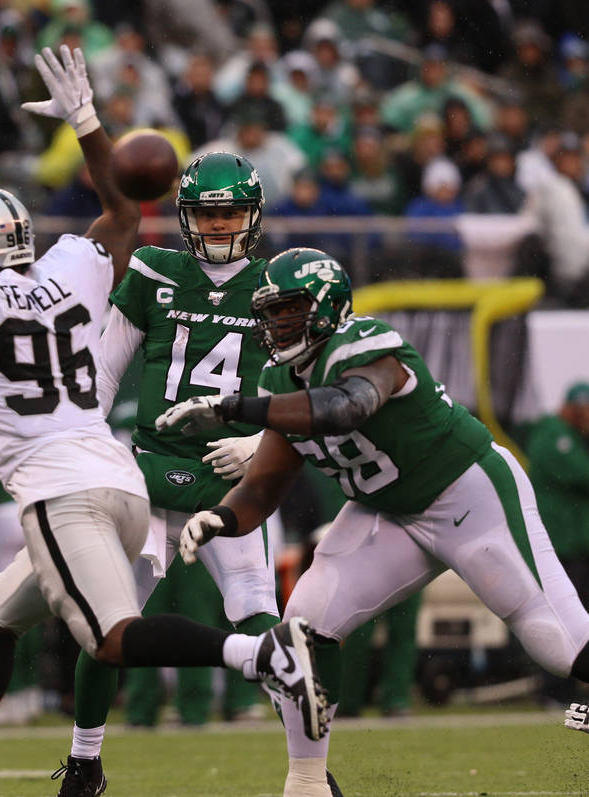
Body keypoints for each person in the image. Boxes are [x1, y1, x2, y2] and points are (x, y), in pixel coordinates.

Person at [0, 46, 328, 797]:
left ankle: (261, 658)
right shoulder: (69, 271)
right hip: (119, 475)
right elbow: (124, 209)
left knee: (112, 638)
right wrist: (89, 125)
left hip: (66, 493)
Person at [158, 246, 589, 796]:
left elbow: (346, 407)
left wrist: (232, 407)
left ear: (327, 306)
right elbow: (265, 484)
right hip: (387, 512)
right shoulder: (278, 378)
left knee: (559, 643)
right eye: (271, 313)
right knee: (305, 628)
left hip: (466, 494)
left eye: (289, 309)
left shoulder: (366, 342)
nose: (277, 323)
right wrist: (217, 518)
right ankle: (309, 782)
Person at [50, 150, 284, 796]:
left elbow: (307, 389)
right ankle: (84, 761)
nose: (217, 227)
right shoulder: (154, 269)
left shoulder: (276, 287)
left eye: (230, 212)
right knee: (106, 624)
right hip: (148, 475)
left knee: (260, 618)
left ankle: (312, 772)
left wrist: (266, 439)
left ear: (253, 214)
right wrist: (87, 442)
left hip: (233, 481)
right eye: (206, 215)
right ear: (185, 218)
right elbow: (100, 371)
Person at [526, 381, 589, 705]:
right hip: (558, 549)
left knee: (579, 621)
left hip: (578, 549)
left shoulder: (576, 440)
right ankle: (553, 691)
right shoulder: (553, 434)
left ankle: (568, 690)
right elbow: (582, 474)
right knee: (561, 620)